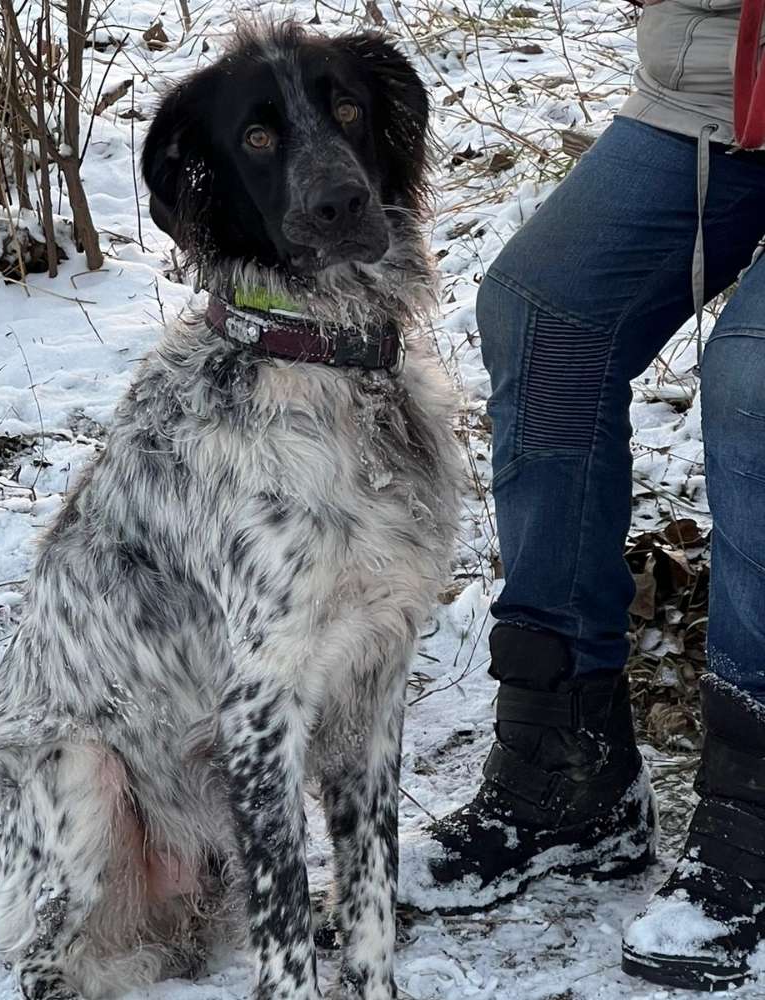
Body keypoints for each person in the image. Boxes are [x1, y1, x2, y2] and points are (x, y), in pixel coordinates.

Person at [418, 0, 765, 991]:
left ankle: (753, 812)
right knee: (545, 308)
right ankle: (564, 766)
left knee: (754, 382)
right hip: (711, 88)